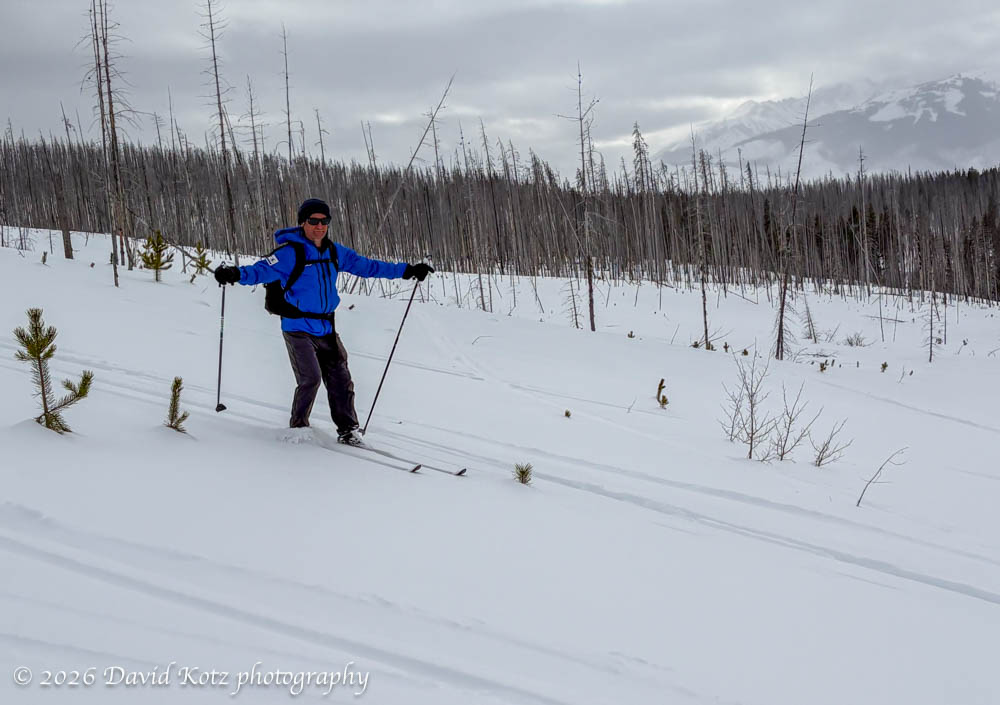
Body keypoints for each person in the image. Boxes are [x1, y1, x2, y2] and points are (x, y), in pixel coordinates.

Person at [214, 198, 433, 446]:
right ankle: (298, 428)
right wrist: (234, 274)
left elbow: (369, 267)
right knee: (310, 378)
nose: (319, 226)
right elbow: (259, 271)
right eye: (313, 221)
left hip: (326, 326)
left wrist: (407, 270)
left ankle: (348, 431)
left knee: (341, 378)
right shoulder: (289, 254)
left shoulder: (335, 252)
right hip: (297, 326)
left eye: (324, 221)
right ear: (303, 222)